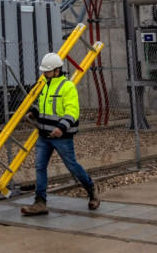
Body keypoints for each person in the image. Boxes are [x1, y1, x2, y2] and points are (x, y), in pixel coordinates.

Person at [21, 52, 100, 216]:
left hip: (61, 137)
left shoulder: (67, 87)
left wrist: (61, 128)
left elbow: (72, 112)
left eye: (47, 71)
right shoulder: (46, 84)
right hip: (44, 135)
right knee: (40, 167)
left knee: (72, 166)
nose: (44, 74)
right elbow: (42, 104)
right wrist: (33, 112)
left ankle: (91, 188)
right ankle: (40, 202)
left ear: (57, 71)